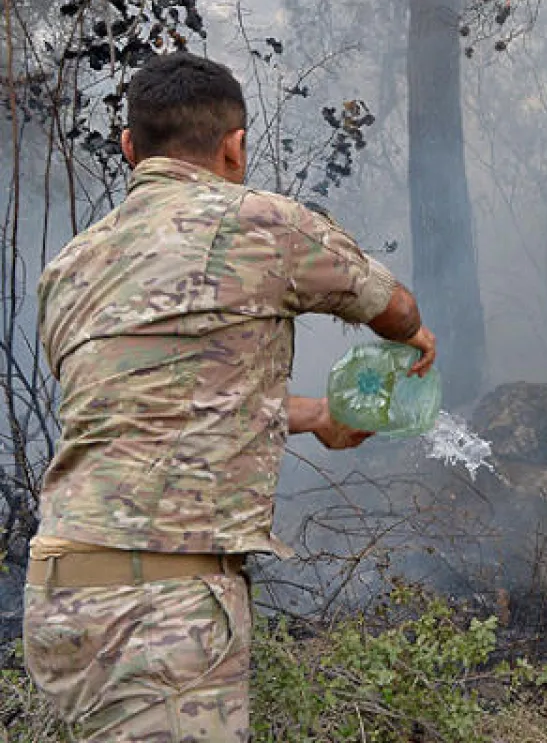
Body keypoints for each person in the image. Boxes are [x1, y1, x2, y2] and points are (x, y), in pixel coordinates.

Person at [23, 51, 437, 741]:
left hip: (60, 601)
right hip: (163, 608)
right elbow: (391, 306)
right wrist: (415, 335)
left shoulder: (67, 268)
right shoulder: (261, 223)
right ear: (235, 148)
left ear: (130, 148)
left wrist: (319, 417)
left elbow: (159, 408)